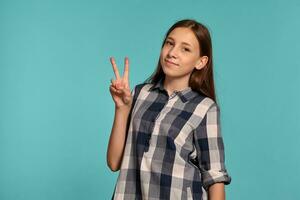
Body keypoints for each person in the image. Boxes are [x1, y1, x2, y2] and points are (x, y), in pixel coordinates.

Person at [106, 19, 231, 200]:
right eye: (169, 43)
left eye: (185, 49)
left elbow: (215, 177)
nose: (172, 53)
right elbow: (114, 162)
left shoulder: (204, 108)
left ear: (201, 62)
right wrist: (122, 108)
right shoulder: (140, 94)